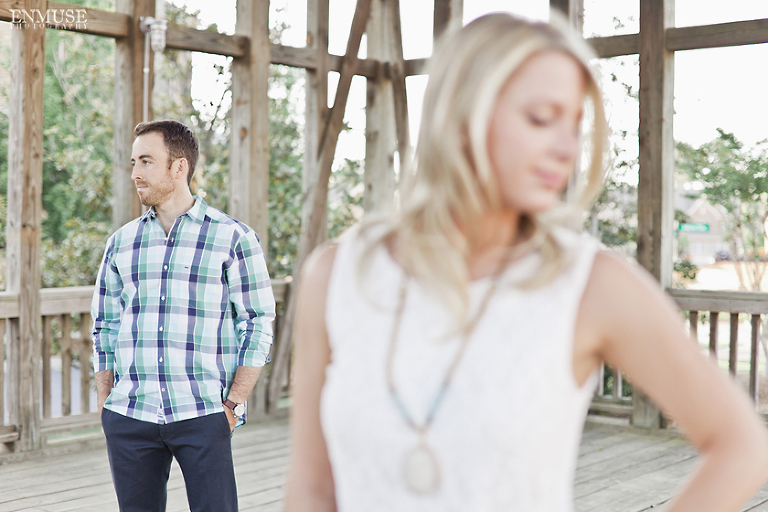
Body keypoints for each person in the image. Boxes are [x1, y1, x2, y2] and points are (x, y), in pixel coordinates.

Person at [283, 13, 768, 512]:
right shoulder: (336, 276)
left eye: (575, 126)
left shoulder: (592, 285)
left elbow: (741, 445)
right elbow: (312, 490)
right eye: (540, 118)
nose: (566, 150)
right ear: (462, 114)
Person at [92, 120, 275, 512]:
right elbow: (104, 324)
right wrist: (106, 399)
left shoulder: (233, 238)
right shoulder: (121, 243)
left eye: (146, 162)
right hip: (130, 415)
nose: (135, 173)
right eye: (133, 162)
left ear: (179, 168)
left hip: (203, 413)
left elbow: (258, 321)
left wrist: (234, 404)